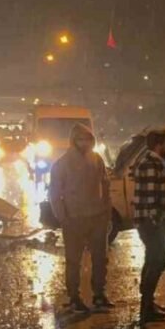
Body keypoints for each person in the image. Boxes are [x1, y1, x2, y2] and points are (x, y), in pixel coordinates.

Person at [49, 123, 114, 312]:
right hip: (74, 219)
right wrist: (63, 217)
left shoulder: (97, 160)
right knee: (73, 260)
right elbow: (54, 194)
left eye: (87, 139)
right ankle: (74, 296)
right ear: (74, 141)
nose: (84, 143)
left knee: (100, 258)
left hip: (97, 217)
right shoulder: (62, 164)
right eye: (80, 139)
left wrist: (106, 213)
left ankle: (99, 294)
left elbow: (106, 186)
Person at [131, 130, 165, 324]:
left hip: (150, 221)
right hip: (151, 222)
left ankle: (148, 303)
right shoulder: (150, 164)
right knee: (158, 261)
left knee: (153, 260)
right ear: (159, 145)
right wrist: (158, 221)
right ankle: (146, 307)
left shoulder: (153, 162)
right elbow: (150, 199)